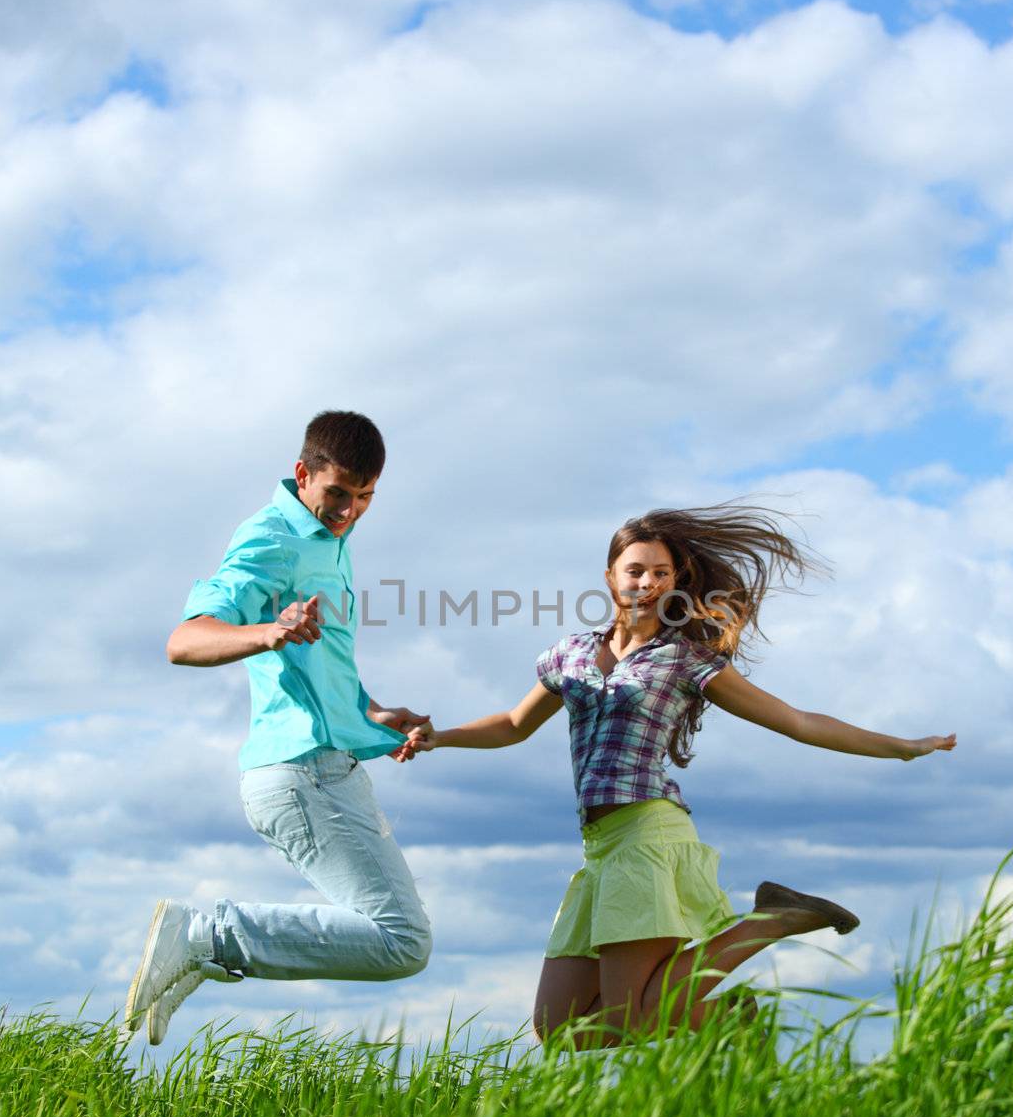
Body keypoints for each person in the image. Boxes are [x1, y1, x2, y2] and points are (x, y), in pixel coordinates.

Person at [404, 506, 956, 1050]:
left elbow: (796, 720)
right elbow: (512, 725)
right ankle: (726, 1019)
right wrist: (440, 736)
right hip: (599, 852)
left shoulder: (685, 659)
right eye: (635, 570)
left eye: (661, 573)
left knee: (636, 1018)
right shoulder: (569, 654)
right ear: (609, 576)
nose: (646, 582)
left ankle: (775, 920)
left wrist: (902, 748)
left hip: (648, 837)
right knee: (562, 1029)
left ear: (674, 583)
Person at [124, 410, 434, 1046]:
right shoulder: (273, 539)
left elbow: (316, 671)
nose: (349, 511)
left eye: (366, 497)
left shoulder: (329, 544)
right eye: (338, 493)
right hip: (302, 774)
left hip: (328, 765)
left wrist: (374, 714)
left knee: (403, 940)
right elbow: (184, 641)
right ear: (303, 473)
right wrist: (268, 630)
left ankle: (205, 947)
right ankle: (207, 937)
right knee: (401, 941)